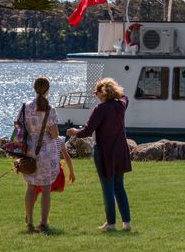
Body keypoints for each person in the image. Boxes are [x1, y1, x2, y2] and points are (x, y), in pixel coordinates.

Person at [66, 78, 132, 232]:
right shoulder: (121, 105)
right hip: (120, 150)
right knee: (119, 187)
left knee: (107, 187)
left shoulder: (100, 109)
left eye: (96, 93)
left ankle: (111, 224)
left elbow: (87, 131)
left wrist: (75, 131)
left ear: (101, 94)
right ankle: (126, 223)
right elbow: (125, 97)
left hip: (104, 151)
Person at [18, 76, 61, 234]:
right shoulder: (51, 109)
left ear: (34, 88)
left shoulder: (25, 107)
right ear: (48, 90)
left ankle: (29, 222)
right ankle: (43, 223)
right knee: (46, 189)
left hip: (29, 152)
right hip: (47, 152)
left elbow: (19, 128)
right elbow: (55, 135)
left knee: (30, 187)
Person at [34, 136, 76, 202]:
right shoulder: (60, 140)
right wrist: (71, 172)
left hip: (44, 173)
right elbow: (67, 157)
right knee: (59, 188)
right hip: (56, 174)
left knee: (35, 190)